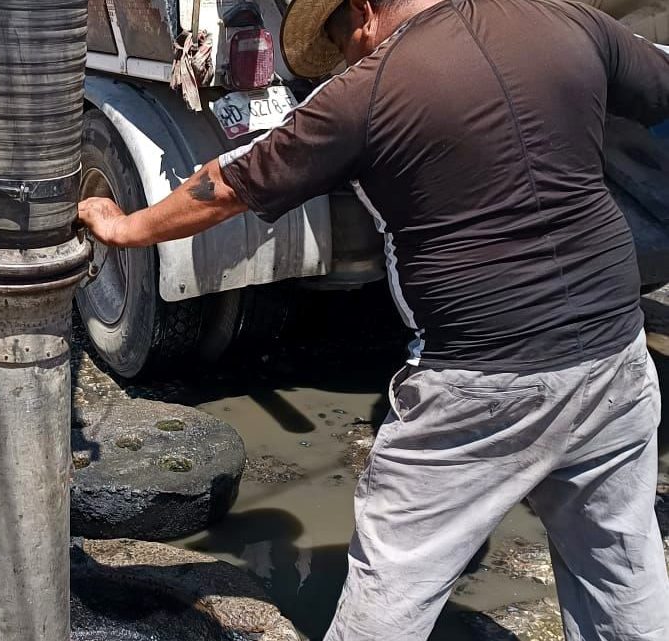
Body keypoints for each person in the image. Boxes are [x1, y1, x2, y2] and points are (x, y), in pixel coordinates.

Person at [78, 0, 669, 638]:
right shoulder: (563, 20)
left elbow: (223, 187)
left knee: (394, 579)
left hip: (480, 383)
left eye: (342, 41)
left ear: (362, 8)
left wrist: (125, 225)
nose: (347, 59)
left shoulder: (367, 90)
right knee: (618, 565)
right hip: (616, 353)